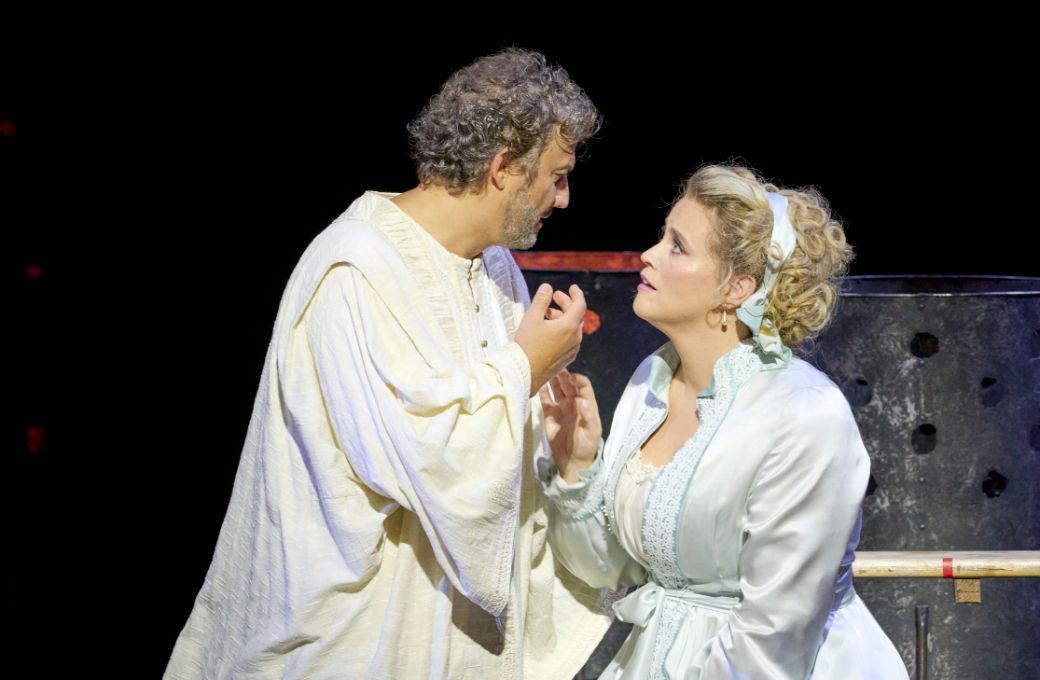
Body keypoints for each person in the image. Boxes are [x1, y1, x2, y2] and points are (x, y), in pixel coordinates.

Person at [164, 48, 615, 679]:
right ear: (502, 167)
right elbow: (425, 462)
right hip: (357, 645)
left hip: (450, 642)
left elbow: (498, 474)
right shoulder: (356, 271)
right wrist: (524, 367)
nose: (563, 198)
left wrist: (557, 446)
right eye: (556, 176)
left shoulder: (496, 269)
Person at [542, 165, 908, 678]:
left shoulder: (804, 414)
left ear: (737, 287)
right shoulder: (650, 380)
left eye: (677, 246)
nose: (648, 255)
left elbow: (774, 636)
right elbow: (607, 570)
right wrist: (578, 469)